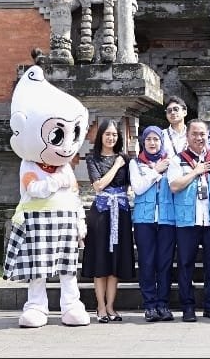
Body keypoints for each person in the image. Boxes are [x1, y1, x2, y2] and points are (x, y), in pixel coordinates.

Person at [168, 120, 210, 322]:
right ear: (188, 136)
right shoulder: (177, 160)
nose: (199, 138)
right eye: (195, 134)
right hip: (187, 220)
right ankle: (188, 307)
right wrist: (195, 171)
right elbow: (174, 186)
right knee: (185, 264)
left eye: (202, 134)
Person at [81, 119, 135, 323]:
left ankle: (111, 306)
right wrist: (117, 165)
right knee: (100, 260)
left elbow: (131, 184)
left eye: (114, 134)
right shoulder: (92, 159)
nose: (111, 138)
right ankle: (100, 306)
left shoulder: (125, 158)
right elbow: (99, 185)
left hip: (120, 212)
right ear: (100, 136)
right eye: (107, 134)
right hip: (101, 214)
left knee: (115, 261)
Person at [129, 125, 176, 322]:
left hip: (167, 218)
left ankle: (163, 304)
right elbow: (138, 188)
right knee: (147, 262)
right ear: (143, 142)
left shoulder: (172, 162)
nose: (152, 143)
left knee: (164, 263)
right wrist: (156, 171)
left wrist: (161, 169)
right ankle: (149, 304)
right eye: (148, 139)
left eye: (156, 139)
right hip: (143, 219)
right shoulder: (135, 163)